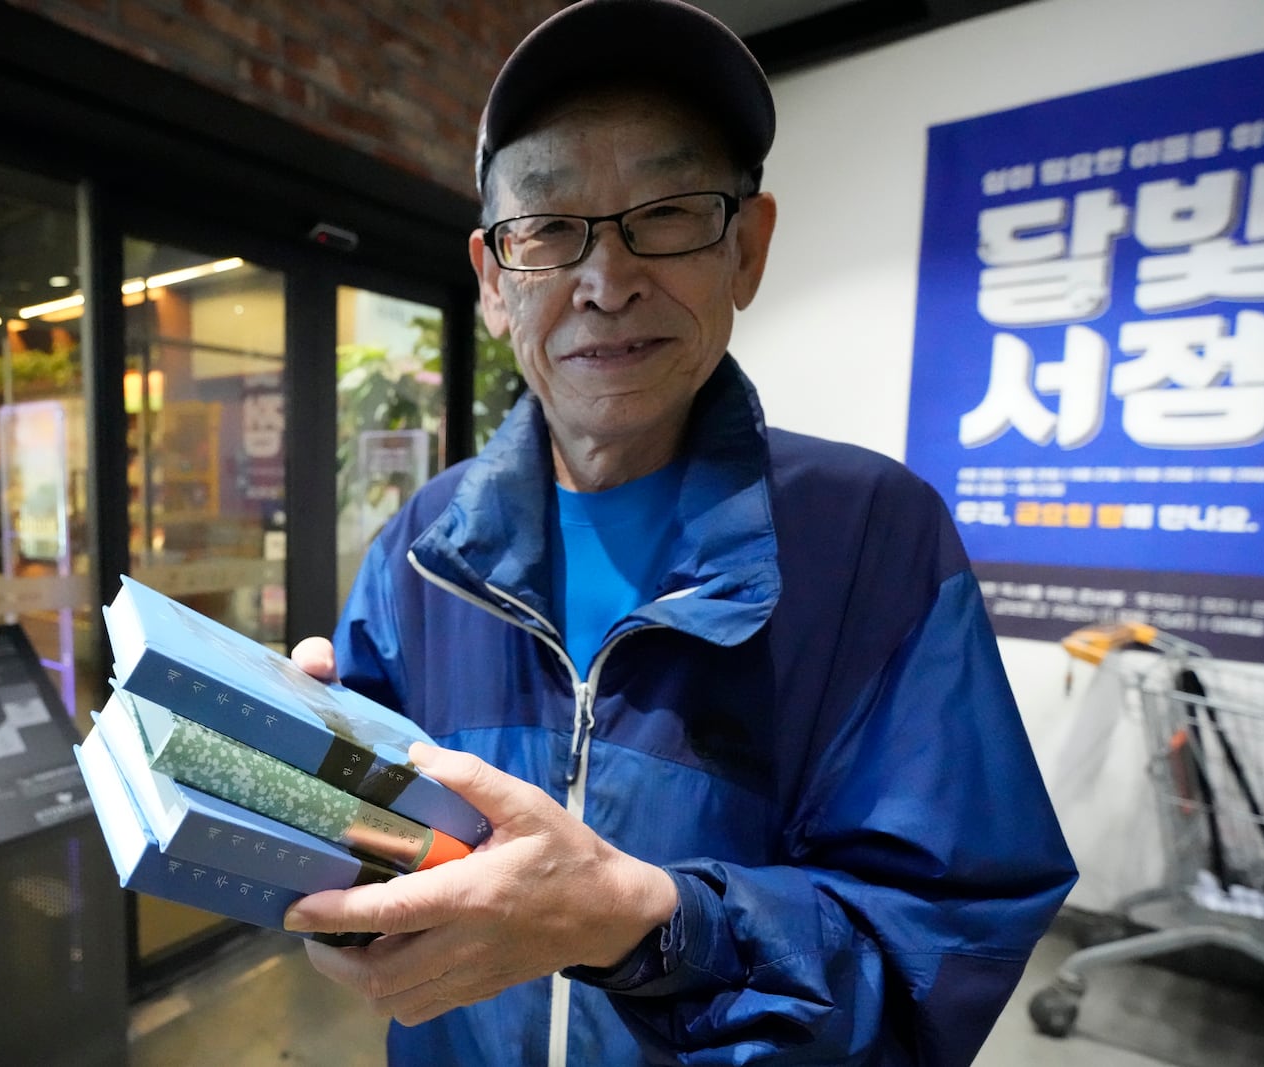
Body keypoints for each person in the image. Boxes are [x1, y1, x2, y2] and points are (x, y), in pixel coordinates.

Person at [283, 1, 1078, 1063]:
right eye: (549, 228)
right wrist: (300, 791)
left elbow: (943, 942)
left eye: (666, 213)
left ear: (746, 249)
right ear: (490, 278)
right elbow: (375, 823)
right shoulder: (425, 539)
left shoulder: (874, 540)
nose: (606, 282)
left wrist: (644, 918)